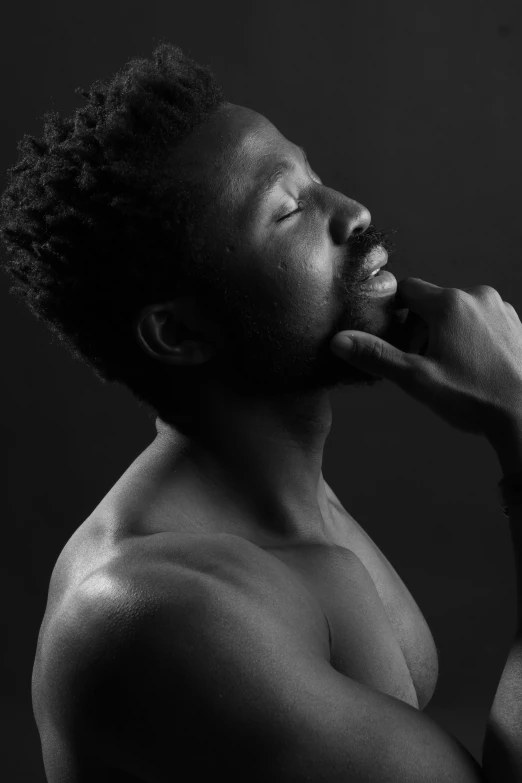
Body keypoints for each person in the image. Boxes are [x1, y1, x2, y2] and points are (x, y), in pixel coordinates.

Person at [1, 42, 520, 782]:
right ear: (180, 332)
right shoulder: (164, 609)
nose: (353, 212)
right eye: (287, 209)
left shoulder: (288, 494)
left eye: (314, 178)